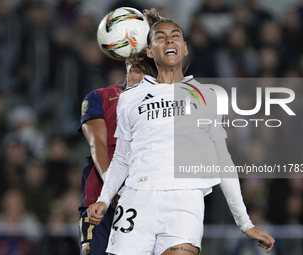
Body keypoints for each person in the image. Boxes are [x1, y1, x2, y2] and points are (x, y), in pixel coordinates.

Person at [87, 8, 275, 255]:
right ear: (149, 50)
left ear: (185, 48)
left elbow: (222, 161)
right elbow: (122, 158)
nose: (169, 40)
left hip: (185, 202)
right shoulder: (130, 98)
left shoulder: (206, 96)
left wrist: (245, 222)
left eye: (175, 36)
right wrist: (104, 197)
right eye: (160, 37)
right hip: (137, 199)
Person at [78, 50, 157, 255]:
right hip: (99, 198)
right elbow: (97, 144)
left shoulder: (162, 105)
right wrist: (111, 188)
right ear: (127, 67)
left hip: (143, 201)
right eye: (137, 70)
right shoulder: (100, 98)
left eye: (147, 72)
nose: (140, 78)